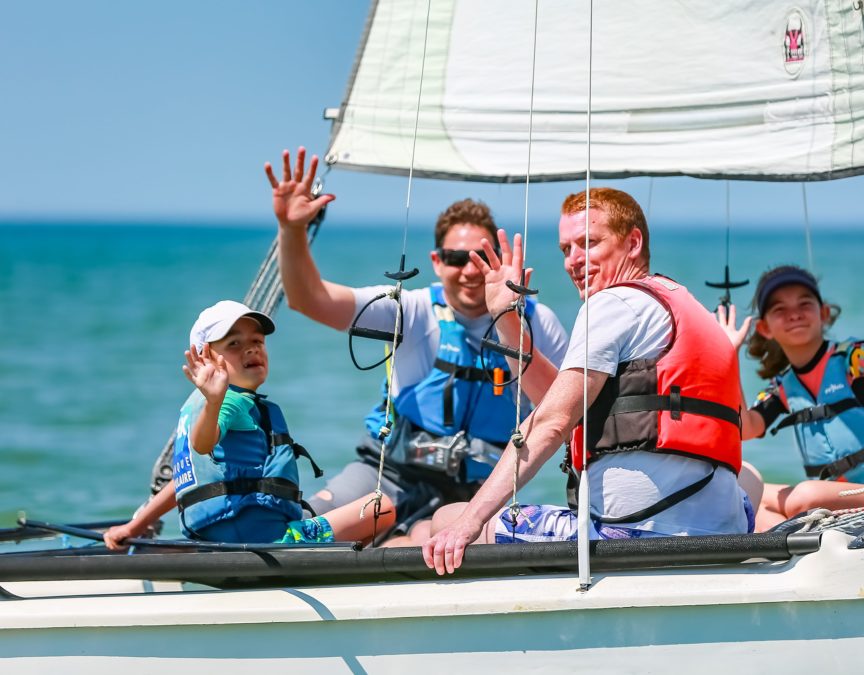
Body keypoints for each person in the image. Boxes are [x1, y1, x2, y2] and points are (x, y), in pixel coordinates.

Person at [423, 187, 750, 575]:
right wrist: (507, 319)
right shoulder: (681, 304)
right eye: (565, 249)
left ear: (633, 242)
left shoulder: (613, 303)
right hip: (728, 530)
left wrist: (471, 522)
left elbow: (551, 422)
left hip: (636, 537)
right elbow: (562, 407)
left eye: (589, 244)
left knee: (446, 520)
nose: (573, 261)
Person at [264, 148, 569, 539]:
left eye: (481, 256)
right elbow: (309, 299)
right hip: (387, 475)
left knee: (435, 540)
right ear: (437, 261)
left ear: (497, 258)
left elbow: (569, 413)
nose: (469, 270)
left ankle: (407, 542)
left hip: (476, 496)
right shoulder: (411, 311)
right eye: (456, 258)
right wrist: (292, 231)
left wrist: (509, 320)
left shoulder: (536, 323)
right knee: (300, 527)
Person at [104, 301, 394, 549]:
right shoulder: (229, 403)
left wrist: (135, 526)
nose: (251, 349)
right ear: (204, 357)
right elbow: (203, 443)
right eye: (234, 344)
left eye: (257, 341)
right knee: (383, 509)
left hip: (211, 541)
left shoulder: (197, 407)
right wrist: (216, 401)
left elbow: (185, 481)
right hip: (270, 541)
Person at [718, 265, 864, 531]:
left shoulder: (858, 359)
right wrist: (729, 355)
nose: (794, 314)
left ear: (824, 313)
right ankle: (788, 558)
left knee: (805, 496)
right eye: (779, 309)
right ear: (765, 328)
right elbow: (745, 428)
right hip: (840, 504)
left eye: (804, 304)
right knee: (739, 488)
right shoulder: (781, 387)